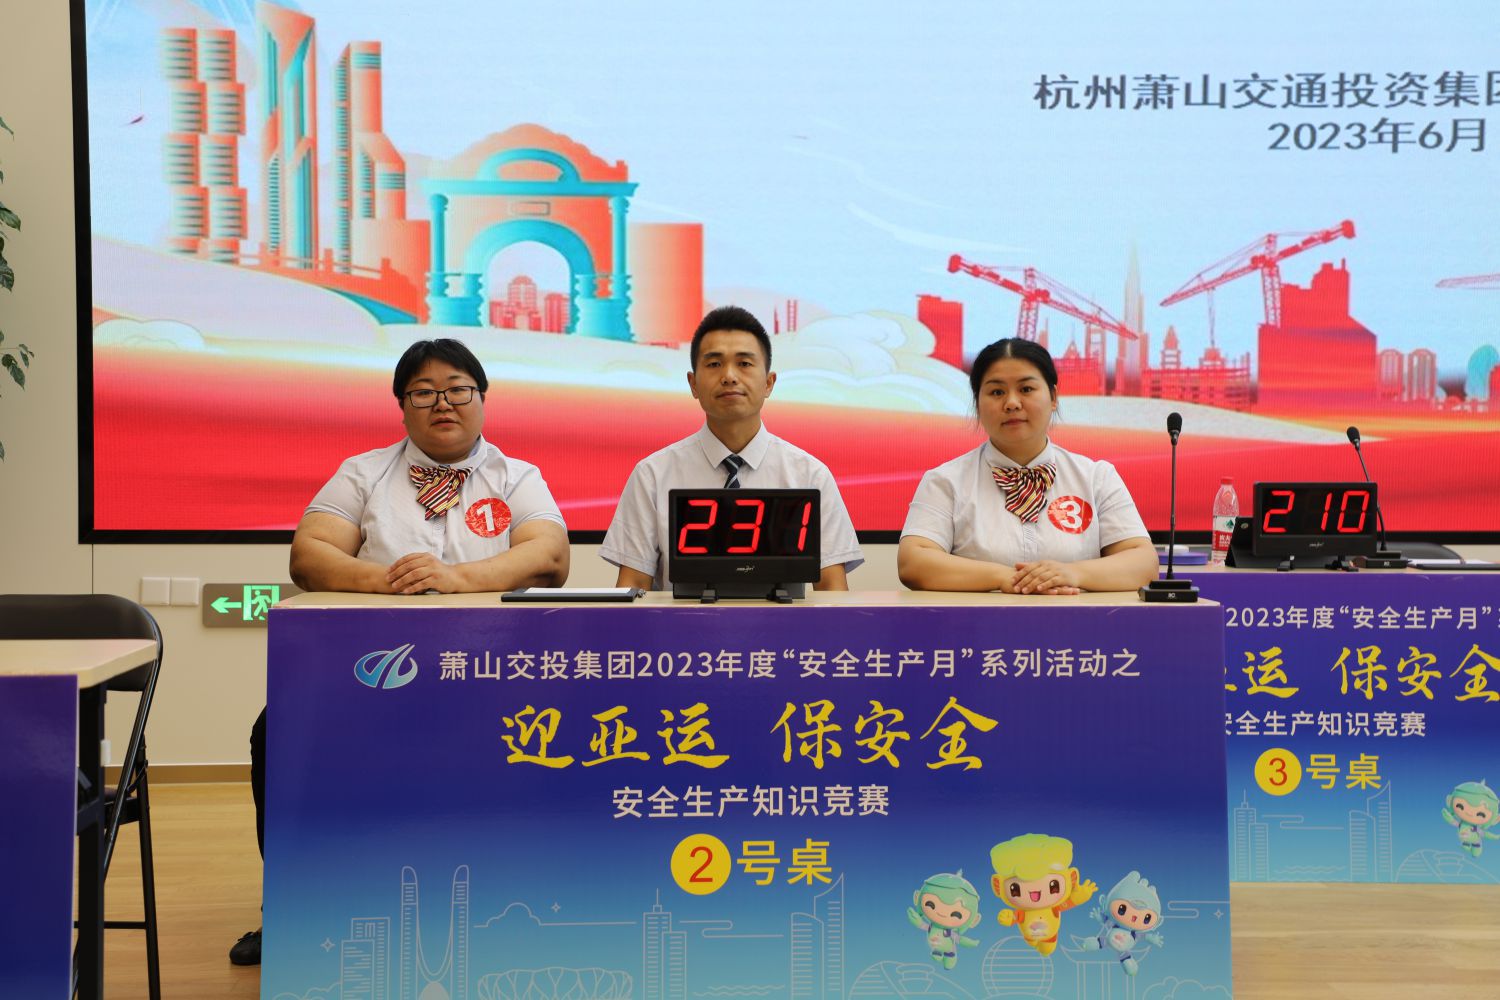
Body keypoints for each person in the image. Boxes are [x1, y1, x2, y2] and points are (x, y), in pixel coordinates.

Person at [230, 338, 568, 965]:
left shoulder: (516, 476)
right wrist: (389, 580)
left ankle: (515, 907)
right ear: (402, 405)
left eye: (458, 388)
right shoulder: (364, 473)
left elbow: (549, 555)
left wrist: (457, 578)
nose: (443, 402)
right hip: (372, 675)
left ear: (482, 398)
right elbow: (308, 554)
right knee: (276, 730)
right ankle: (291, 907)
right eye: (424, 392)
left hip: (488, 674)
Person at [601, 305, 862, 590]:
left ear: (769, 383)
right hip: (680, 621)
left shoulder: (810, 476)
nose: (729, 376)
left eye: (744, 363)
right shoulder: (652, 475)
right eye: (714, 364)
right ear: (693, 384)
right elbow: (633, 585)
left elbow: (832, 589)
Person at [898, 337, 1156, 594]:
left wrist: (1073, 573)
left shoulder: (1096, 477)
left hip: (1078, 620)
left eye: (1026, 389)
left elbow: (1143, 562)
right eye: (997, 392)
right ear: (977, 403)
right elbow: (913, 562)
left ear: (1053, 397)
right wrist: (1004, 577)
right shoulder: (945, 481)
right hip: (978, 620)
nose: (1012, 403)